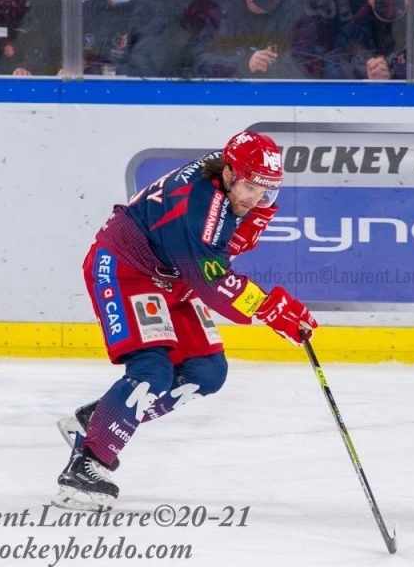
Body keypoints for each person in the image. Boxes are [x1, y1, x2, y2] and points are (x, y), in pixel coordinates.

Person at [52, 131, 318, 511]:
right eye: (248, 187)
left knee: (206, 372)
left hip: (173, 276)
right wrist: (272, 310)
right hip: (127, 269)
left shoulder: (229, 174)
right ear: (228, 173)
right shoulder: (200, 208)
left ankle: (98, 419)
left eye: (266, 191)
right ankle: (86, 465)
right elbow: (214, 283)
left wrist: (249, 205)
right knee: (152, 371)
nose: (255, 199)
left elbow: (220, 253)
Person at [193, 0, 318, 79]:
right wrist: (244, 64)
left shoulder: (297, 20)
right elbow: (201, 60)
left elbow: (307, 67)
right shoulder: (221, 18)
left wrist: (270, 65)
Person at [56, 0, 171, 77]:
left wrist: (92, 71)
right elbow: (56, 49)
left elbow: (144, 69)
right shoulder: (84, 5)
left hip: (127, 96)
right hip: (81, 92)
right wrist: (71, 64)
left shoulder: (152, 12)